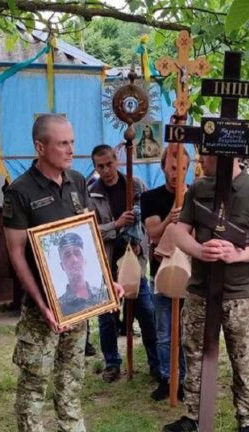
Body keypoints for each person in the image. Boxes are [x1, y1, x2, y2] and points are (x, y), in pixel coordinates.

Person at [3, 114, 123, 432]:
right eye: (63, 143)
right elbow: (16, 253)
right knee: (34, 385)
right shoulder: (20, 191)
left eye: (72, 142)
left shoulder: (77, 182)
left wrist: (104, 283)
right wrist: (42, 305)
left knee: (70, 380)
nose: (71, 149)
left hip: (77, 306)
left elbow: (87, 238)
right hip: (42, 310)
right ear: (40, 147)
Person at [164, 155, 249, 432]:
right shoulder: (199, 188)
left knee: (244, 361)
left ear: (224, 156)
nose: (200, 159)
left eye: (205, 155)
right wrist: (198, 250)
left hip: (240, 296)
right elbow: (180, 232)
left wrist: (240, 254)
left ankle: (246, 420)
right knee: (194, 356)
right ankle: (192, 416)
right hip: (200, 293)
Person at [89, 144, 160, 383]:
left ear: (117, 160)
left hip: (133, 262)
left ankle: (156, 362)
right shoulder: (92, 194)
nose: (106, 170)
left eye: (109, 164)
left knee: (147, 313)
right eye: (100, 166)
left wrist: (141, 242)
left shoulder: (136, 185)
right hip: (107, 263)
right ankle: (112, 363)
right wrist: (116, 225)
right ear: (95, 167)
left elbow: (149, 220)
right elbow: (90, 231)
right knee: (107, 316)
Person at [141, 146, 189, 401]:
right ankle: (167, 378)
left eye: (182, 169)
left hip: (191, 276)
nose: (177, 174)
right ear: (163, 167)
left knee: (187, 331)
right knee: (164, 332)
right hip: (161, 274)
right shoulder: (151, 198)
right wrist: (170, 218)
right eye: (172, 169)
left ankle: (186, 379)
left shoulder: (195, 195)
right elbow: (153, 234)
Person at [55, 232, 110, 316]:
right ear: (62, 265)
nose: (74, 259)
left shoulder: (103, 296)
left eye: (77, 253)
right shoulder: (58, 307)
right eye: (67, 255)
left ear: (85, 260)